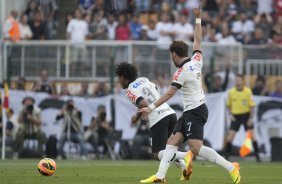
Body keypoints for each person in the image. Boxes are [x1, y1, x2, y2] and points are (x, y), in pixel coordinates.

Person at [139, 8, 240, 183]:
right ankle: (160, 176)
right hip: (191, 111)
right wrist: (198, 20)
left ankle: (232, 167)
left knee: (196, 147)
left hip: (196, 111)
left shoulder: (181, 72)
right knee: (172, 141)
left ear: (173, 54)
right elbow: (198, 41)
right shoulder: (196, 61)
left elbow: (170, 93)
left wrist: (151, 107)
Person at [115, 62, 192, 182]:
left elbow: (143, 104)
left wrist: (135, 118)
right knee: (168, 150)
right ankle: (183, 167)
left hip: (159, 118)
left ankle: (185, 155)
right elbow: (154, 88)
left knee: (157, 154)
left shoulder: (130, 90)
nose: (119, 81)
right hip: (170, 113)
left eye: (119, 78)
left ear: (123, 77)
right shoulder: (144, 79)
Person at [225, 74, 261, 162]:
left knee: (252, 136)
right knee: (230, 137)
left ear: (242, 81)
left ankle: (258, 157)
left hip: (246, 116)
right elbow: (228, 105)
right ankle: (226, 157)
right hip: (236, 116)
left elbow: (252, 106)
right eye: (236, 80)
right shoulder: (231, 92)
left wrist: (251, 118)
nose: (237, 82)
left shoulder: (248, 91)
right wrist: (231, 115)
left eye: (239, 80)